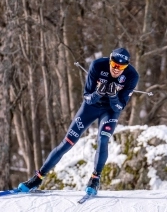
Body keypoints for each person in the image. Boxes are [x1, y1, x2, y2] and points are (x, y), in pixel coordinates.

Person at [18, 48, 140, 195]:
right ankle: (37, 178)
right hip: (91, 107)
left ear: (126, 66)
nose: (116, 69)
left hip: (110, 110)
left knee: (103, 139)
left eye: (121, 67)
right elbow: (86, 96)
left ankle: (95, 179)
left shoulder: (132, 75)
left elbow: (120, 106)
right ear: (109, 61)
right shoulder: (97, 66)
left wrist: (113, 96)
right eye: (114, 65)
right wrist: (98, 93)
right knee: (67, 142)